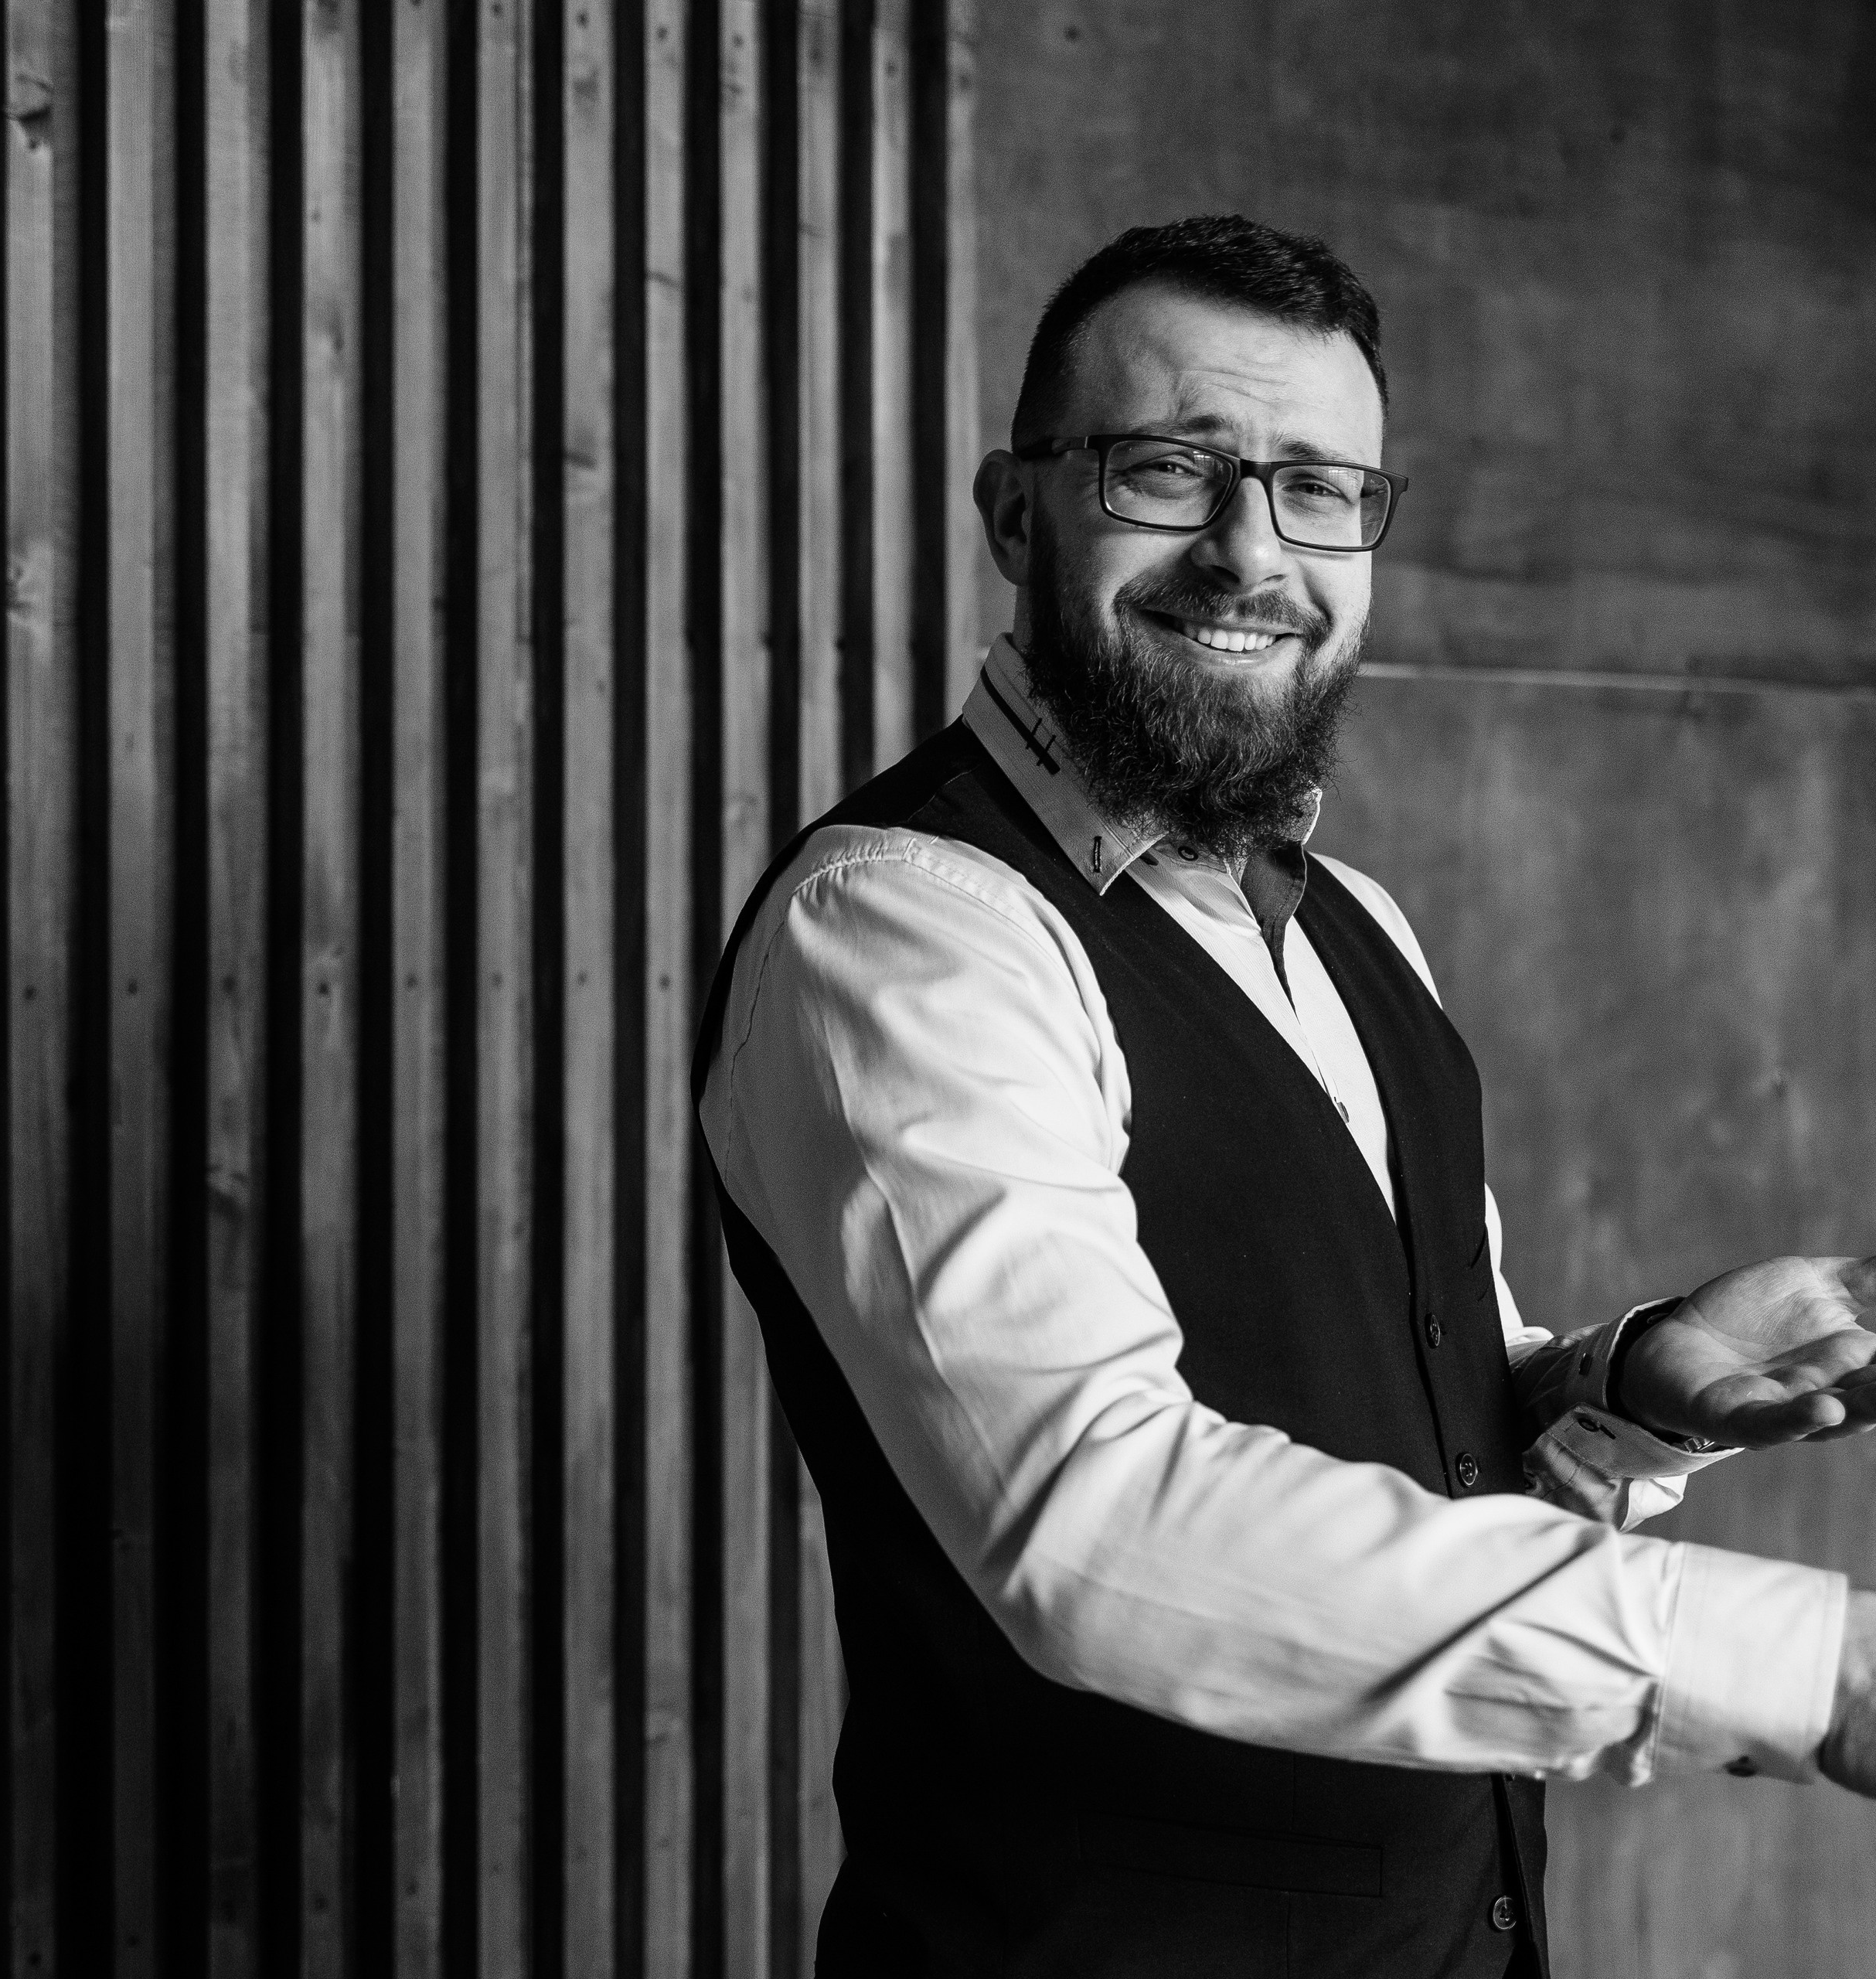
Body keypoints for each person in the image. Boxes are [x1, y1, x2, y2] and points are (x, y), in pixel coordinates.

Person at [693, 214, 1876, 1979]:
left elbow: (1399, 1441)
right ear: (1016, 511)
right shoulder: (905, 925)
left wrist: (1620, 1403)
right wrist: (1821, 1667)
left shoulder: (1353, 924)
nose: (1251, 550)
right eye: (1167, 469)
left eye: (1317, 487)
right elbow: (1092, 1518)